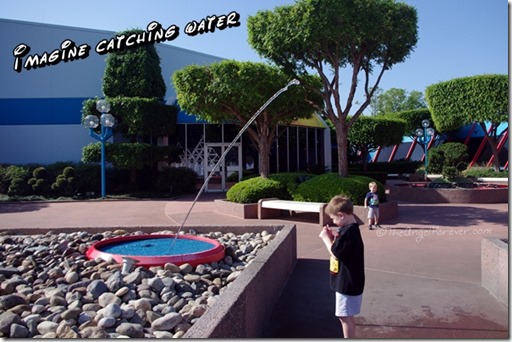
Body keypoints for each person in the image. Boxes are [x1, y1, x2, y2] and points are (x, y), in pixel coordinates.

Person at [319, 195, 365, 338]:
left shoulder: (348, 232)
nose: (333, 221)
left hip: (347, 283)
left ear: (341, 215)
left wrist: (326, 239)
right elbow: (341, 250)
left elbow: (336, 253)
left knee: (343, 316)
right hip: (351, 281)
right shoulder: (351, 229)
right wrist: (333, 238)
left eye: (333, 218)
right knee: (348, 315)